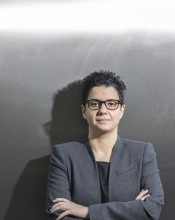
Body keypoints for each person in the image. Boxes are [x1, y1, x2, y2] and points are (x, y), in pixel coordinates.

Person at [45, 70, 164, 220]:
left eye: (111, 104)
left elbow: (152, 209)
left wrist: (86, 211)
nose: (103, 110)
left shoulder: (142, 152)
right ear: (84, 111)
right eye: (94, 104)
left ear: (121, 110)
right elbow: (58, 214)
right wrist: (132, 209)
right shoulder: (63, 155)